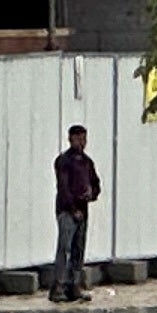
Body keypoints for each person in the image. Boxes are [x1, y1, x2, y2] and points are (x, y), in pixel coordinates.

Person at [51, 123, 100, 301]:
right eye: (78, 138)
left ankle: (74, 286)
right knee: (65, 248)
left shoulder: (87, 162)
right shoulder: (64, 160)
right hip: (67, 210)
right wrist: (73, 209)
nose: (82, 142)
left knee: (78, 250)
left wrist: (92, 194)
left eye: (84, 138)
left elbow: (96, 183)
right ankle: (58, 287)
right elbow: (63, 187)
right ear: (70, 139)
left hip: (83, 210)